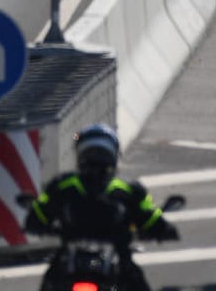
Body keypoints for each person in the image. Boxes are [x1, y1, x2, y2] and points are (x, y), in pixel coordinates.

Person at [24, 123, 179, 291]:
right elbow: (149, 217)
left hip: (72, 260)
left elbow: (39, 214)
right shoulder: (128, 188)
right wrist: (163, 229)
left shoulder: (62, 184)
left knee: (50, 281)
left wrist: (34, 224)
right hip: (115, 261)